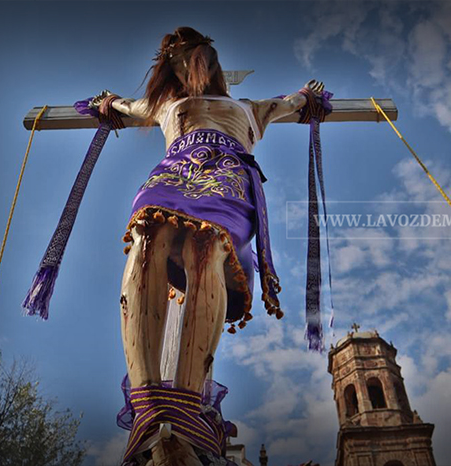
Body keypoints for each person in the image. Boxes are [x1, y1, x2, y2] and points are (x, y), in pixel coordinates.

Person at [94, 26, 325, 465]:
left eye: (192, 60)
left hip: (227, 174)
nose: (186, 70)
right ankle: (148, 404)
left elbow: (290, 103)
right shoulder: (164, 106)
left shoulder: (250, 108)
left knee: (206, 249)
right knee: (146, 236)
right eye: (177, 65)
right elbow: (126, 105)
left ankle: (184, 407)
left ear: (210, 63)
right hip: (172, 172)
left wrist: (306, 97)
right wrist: (109, 103)